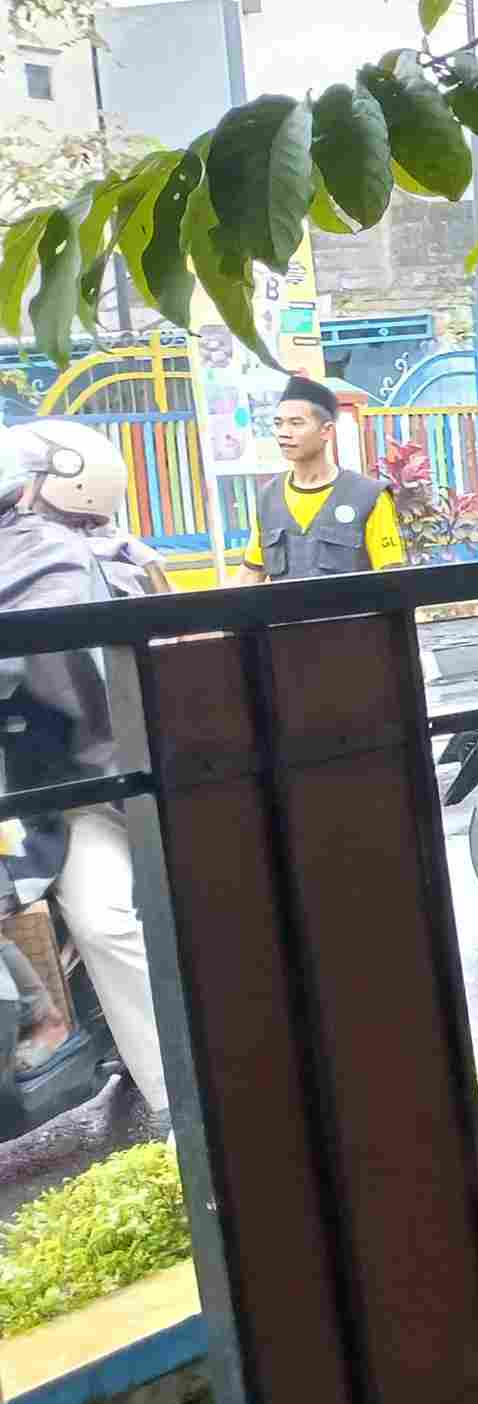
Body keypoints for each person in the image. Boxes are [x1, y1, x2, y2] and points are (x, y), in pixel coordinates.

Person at [0, 421, 172, 1143]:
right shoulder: (60, 550)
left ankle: (177, 1099)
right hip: (60, 789)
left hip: (86, 787)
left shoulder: (66, 559)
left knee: (114, 924)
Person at [252, 376, 405, 581]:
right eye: (279, 424)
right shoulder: (268, 498)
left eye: (296, 423)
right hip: (288, 614)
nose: (284, 433)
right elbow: (252, 573)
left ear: (326, 430)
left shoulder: (368, 496)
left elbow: (392, 579)